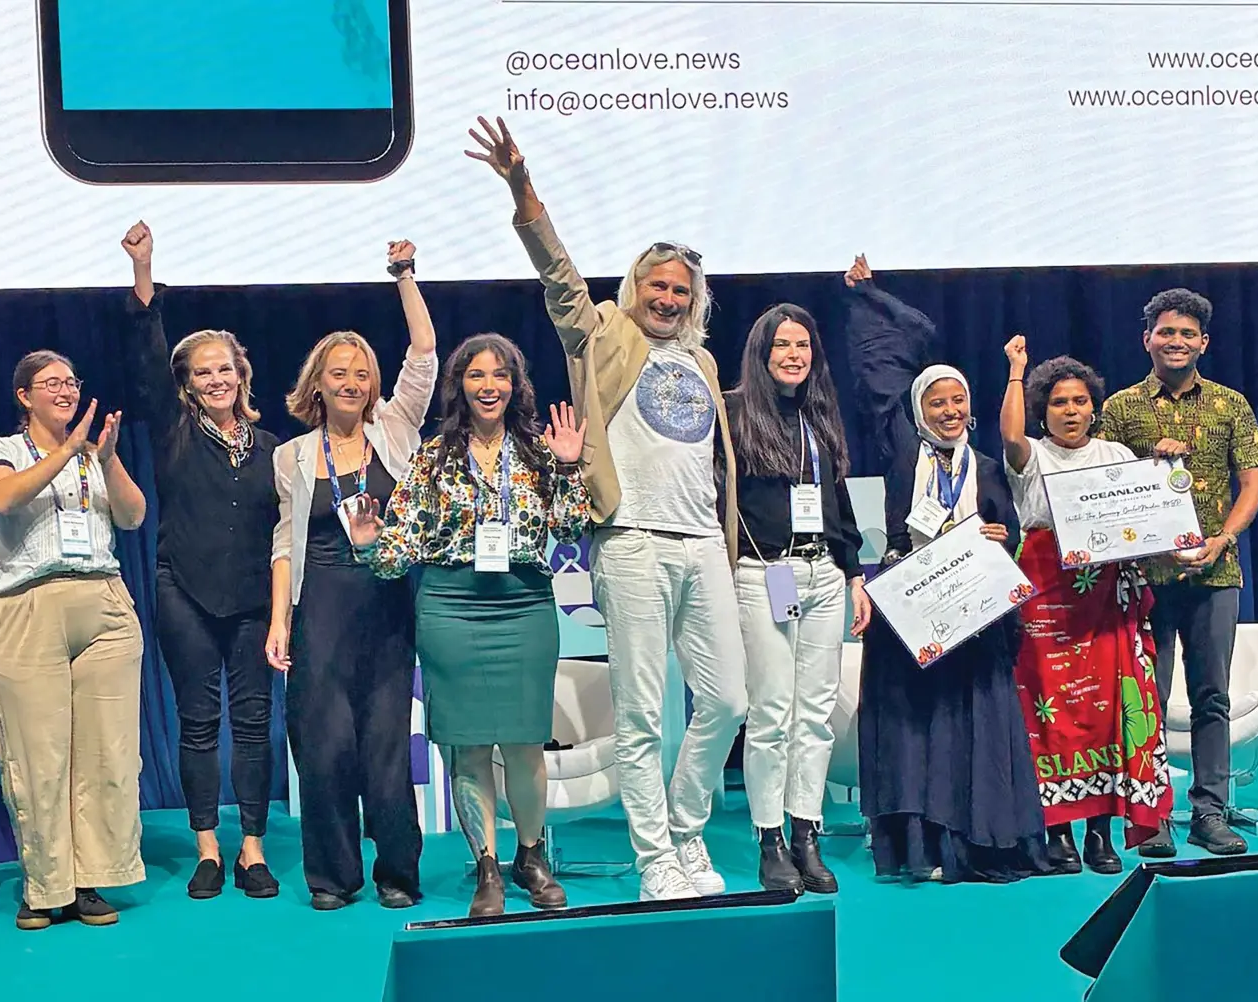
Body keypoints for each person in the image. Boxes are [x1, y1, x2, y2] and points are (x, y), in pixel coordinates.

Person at [469, 117, 747, 901]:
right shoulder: (603, 335)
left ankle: (687, 831)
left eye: (680, 291)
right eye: (657, 286)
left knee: (729, 700)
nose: (668, 298)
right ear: (635, 287)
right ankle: (657, 857)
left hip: (702, 543)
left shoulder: (702, 360)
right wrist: (522, 188)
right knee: (642, 712)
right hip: (632, 541)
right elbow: (557, 272)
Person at [345, 334, 590, 917]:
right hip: (451, 608)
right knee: (470, 747)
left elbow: (569, 529)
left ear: (514, 385)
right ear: (459, 385)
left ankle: (531, 857)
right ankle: (486, 866)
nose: (489, 386)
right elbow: (399, 551)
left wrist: (569, 466)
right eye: (477, 375)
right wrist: (369, 544)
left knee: (525, 742)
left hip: (524, 606)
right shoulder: (433, 457)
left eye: (500, 375)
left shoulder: (538, 451)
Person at [844, 256, 1049, 884]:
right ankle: (919, 847)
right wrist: (870, 297)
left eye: (958, 399)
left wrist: (1000, 537)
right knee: (916, 731)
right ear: (918, 409)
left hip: (975, 620)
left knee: (970, 727)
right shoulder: (902, 451)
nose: (950, 409)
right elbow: (883, 366)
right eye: (937, 401)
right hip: (910, 614)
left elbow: (1011, 533)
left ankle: (977, 842)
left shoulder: (985, 467)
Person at [267, 241, 438, 910]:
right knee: (326, 749)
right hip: (320, 612)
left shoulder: (395, 431)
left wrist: (404, 277)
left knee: (386, 749)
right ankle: (333, 877)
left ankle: (397, 873)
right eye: (338, 373)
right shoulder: (290, 456)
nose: (351, 383)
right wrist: (279, 622)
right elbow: (284, 543)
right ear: (318, 382)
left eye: (361, 374)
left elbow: (423, 352)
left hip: (387, 605)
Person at [119, 223, 284, 899]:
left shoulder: (273, 447)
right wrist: (144, 269)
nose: (216, 379)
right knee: (198, 722)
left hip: (251, 602)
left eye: (225, 368)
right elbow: (146, 351)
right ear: (187, 384)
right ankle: (208, 848)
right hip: (184, 592)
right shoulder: (174, 429)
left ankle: (252, 849)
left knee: (254, 723)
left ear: (241, 375)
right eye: (202, 371)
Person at [0, 351, 149, 928]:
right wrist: (67, 451)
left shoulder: (94, 456)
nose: (66, 391)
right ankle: (46, 885)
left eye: (72, 382)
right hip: (27, 602)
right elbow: (2, 498)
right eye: (52, 383)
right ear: (24, 396)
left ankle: (93, 879)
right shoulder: (1, 450)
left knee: (107, 753)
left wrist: (107, 457)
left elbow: (133, 516)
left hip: (103, 601)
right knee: (37, 756)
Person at [1097, 289, 1258, 858]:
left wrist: (1223, 539)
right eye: (1166, 332)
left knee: (1211, 697)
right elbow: (1104, 490)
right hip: (1144, 578)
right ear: (1147, 339)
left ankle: (1209, 814)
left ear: (1204, 343)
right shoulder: (1120, 409)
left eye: (1187, 334)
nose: (1176, 342)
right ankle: (1153, 818)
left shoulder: (1230, 405)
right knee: (1146, 700)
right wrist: (1147, 464)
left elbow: (1253, 485)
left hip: (1215, 575)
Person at [998, 335, 1172, 875]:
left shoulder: (1116, 456)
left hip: (1105, 598)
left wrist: (1165, 471)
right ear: (1042, 410)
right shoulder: (1032, 455)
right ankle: (1058, 833)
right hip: (1045, 596)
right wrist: (1016, 370)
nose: (1070, 411)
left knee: (1106, 713)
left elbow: (1145, 519)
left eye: (1079, 401)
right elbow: (1009, 436)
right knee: (1049, 713)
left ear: (1094, 407)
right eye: (1058, 402)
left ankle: (1100, 833)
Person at [724, 304, 871, 895]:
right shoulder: (734, 413)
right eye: (782, 345)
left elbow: (838, 501)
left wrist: (854, 573)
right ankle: (770, 839)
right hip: (765, 574)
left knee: (815, 715)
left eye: (803, 345)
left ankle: (807, 832)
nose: (794, 355)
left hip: (824, 575)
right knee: (770, 714)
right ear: (761, 354)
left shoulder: (819, 414)